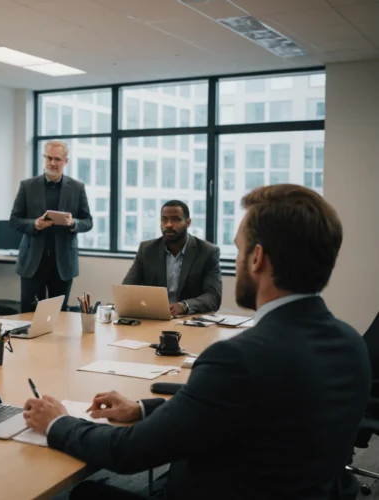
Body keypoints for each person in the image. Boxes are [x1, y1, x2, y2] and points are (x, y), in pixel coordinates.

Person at [22, 185, 369, 500]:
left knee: (86, 494)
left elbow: (126, 453)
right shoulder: (351, 343)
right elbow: (236, 406)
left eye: (240, 248)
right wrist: (141, 409)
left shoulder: (237, 359)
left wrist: (58, 422)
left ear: (257, 258)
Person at [10, 140, 93, 312]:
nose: (52, 163)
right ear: (44, 158)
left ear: (66, 161)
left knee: (59, 317)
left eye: (57, 159)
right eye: (49, 158)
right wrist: (35, 224)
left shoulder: (77, 188)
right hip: (32, 262)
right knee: (29, 316)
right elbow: (14, 220)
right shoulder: (27, 186)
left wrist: (73, 223)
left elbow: (88, 221)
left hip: (62, 264)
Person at [122, 200, 222, 316]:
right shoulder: (147, 249)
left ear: (188, 223)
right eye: (164, 219)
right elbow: (127, 289)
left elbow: (213, 297)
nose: (169, 224)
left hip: (190, 321)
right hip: (154, 318)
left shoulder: (207, 252)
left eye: (176, 219)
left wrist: (184, 306)